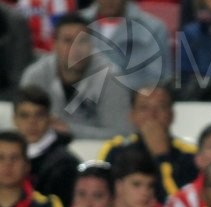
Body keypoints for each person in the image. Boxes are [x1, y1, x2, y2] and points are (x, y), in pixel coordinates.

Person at [19, 12, 133, 140]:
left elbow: (123, 134)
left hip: (96, 154)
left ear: (91, 44)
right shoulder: (35, 76)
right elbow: (22, 127)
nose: (76, 48)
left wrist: (69, 130)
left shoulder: (112, 78)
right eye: (68, 40)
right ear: (54, 45)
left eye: (82, 40)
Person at [97, 84, 198, 203]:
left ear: (171, 115)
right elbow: (102, 196)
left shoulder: (190, 154)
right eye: (144, 108)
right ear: (132, 116)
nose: (152, 115)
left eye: (160, 107)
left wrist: (163, 157)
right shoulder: (115, 150)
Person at [11, 85, 79, 207]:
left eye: (39, 115)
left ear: (49, 118)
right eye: (25, 116)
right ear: (14, 120)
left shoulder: (65, 164)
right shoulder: (6, 156)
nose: (32, 122)